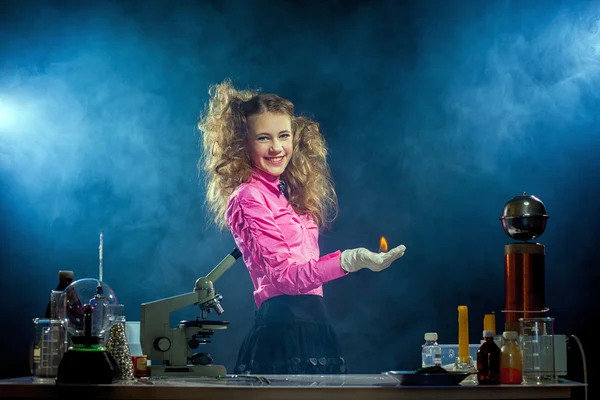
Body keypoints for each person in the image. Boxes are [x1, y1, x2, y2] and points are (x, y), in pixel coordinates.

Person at [197, 79, 406, 375]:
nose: (276, 148)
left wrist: (352, 260)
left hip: (315, 328)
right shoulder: (248, 196)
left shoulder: (289, 193)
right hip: (283, 331)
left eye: (283, 135)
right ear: (243, 143)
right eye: (263, 138)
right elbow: (285, 278)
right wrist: (349, 260)